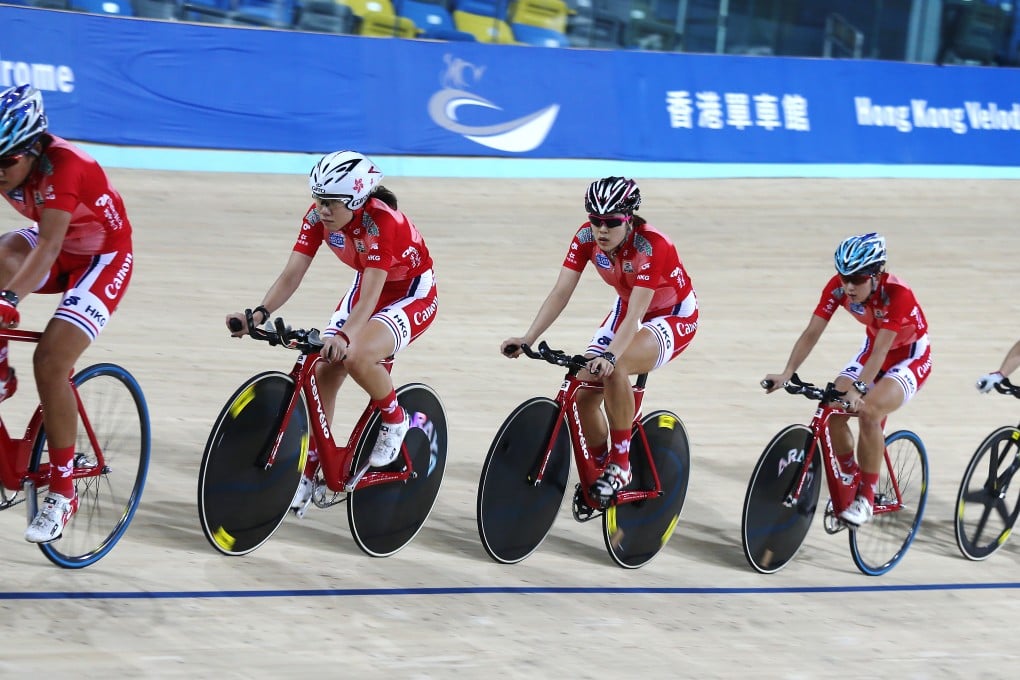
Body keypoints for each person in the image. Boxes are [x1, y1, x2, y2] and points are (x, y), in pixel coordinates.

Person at [226, 150, 437, 516]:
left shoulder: (381, 224)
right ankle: (309, 471)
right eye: (318, 199)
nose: (322, 209)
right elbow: (292, 272)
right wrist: (259, 313)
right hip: (369, 286)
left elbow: (371, 297)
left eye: (331, 203)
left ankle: (394, 417)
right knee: (323, 371)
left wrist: (343, 339)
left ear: (355, 200)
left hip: (410, 294)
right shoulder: (317, 218)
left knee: (356, 355)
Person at [501, 176, 698, 510]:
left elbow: (638, 314)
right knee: (582, 387)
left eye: (611, 223)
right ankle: (600, 470)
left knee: (615, 366)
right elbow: (561, 291)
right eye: (596, 221)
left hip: (670, 315)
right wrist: (528, 337)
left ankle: (621, 466)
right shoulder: (585, 237)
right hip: (627, 307)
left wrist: (610, 355)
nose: (601, 230)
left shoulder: (652, 246)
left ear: (630, 219)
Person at [0, 84, 136, 542]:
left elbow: (50, 246)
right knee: (2, 252)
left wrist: (10, 300)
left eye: (5, 163)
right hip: (60, 250)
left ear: (34, 149)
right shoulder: (12, 162)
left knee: (51, 362)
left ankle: (62, 488)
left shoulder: (66, 167)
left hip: (101, 260)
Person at [762, 232, 932, 527]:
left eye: (858, 279)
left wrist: (859, 390)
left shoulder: (898, 295)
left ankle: (865, 498)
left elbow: (882, 351)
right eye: (844, 278)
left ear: (876, 274)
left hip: (908, 357)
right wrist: (787, 372)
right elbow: (812, 332)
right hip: (872, 350)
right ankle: (851, 477)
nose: (849, 286)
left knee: (868, 410)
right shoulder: (838, 289)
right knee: (833, 410)